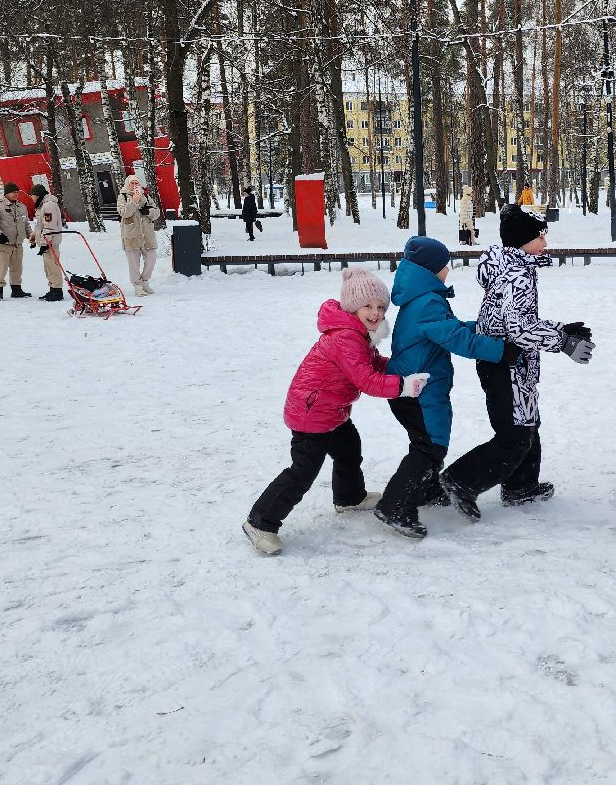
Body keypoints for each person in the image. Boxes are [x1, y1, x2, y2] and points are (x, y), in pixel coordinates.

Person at [243, 269, 431, 556]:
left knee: (349, 449)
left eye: (380, 306)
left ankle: (349, 497)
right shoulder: (346, 337)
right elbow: (365, 380)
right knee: (303, 471)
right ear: (353, 307)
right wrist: (403, 386)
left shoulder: (357, 334)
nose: (376, 313)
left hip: (331, 410)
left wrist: (395, 367)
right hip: (312, 413)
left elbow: (370, 364)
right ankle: (260, 522)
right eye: (368, 306)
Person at [440, 205, 592, 521]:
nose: (545, 243)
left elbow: (516, 319)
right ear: (523, 240)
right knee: (514, 435)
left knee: (527, 423)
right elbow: (520, 328)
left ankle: (521, 486)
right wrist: (562, 342)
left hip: (511, 360)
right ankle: (460, 480)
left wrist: (561, 329)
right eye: (540, 237)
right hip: (505, 362)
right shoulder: (517, 275)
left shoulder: (511, 266)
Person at [373, 236, 506, 540]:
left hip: (417, 386)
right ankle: (395, 506)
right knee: (429, 448)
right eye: (446, 265)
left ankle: (425, 489)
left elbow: (452, 328)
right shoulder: (428, 302)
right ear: (431, 269)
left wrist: (480, 327)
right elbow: (456, 339)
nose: (449, 269)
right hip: (418, 390)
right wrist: (501, 351)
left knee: (430, 444)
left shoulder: (422, 297)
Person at [0, 182, 33, 301]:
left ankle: (16, 290)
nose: (16, 194)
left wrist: (31, 236)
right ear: (6, 193)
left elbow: (25, 224)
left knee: (17, 268)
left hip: (18, 243)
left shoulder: (21, 207)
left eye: (17, 192)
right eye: (13, 192)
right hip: (3, 243)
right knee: (1, 268)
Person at [117, 173, 159, 296]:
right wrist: (134, 202)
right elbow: (123, 213)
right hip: (131, 235)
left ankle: (144, 281)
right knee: (134, 263)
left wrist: (149, 212)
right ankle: (137, 285)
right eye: (132, 183)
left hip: (147, 234)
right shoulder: (123, 196)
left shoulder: (145, 196)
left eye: (136, 183)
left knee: (151, 258)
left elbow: (156, 213)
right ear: (128, 184)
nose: (135, 185)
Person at [28, 183, 67, 302]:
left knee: (53, 266)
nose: (31, 198)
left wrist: (45, 243)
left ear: (37, 195)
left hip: (50, 243)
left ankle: (57, 291)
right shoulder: (42, 206)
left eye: (32, 196)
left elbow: (50, 227)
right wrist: (34, 235)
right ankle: (52, 288)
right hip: (46, 242)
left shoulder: (48, 206)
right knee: (48, 267)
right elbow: (40, 225)